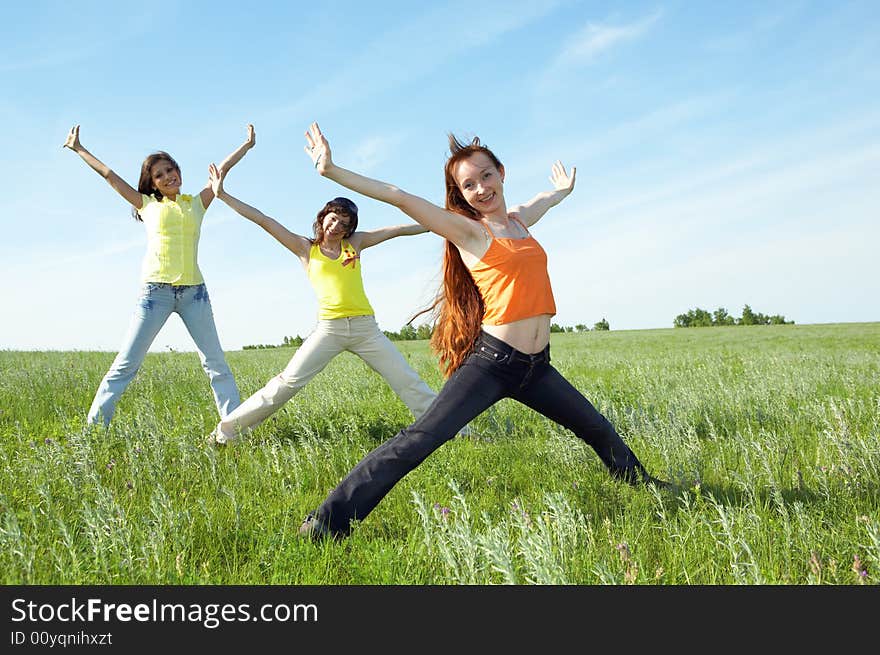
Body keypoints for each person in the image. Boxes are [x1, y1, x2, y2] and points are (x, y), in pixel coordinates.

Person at [298, 122, 669, 540]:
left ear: (501, 173)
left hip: (537, 368)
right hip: (493, 363)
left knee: (595, 426)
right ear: (462, 194)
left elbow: (541, 201)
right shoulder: (470, 231)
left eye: (486, 175)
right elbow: (399, 196)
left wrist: (562, 192)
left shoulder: (519, 222)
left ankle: (640, 485)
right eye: (469, 184)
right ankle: (327, 522)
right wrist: (333, 171)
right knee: (420, 439)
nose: (480, 188)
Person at [205, 160, 469, 445]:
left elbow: (398, 229)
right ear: (323, 217)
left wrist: (441, 221)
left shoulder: (354, 244)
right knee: (285, 384)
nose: (336, 226)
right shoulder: (305, 249)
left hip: (366, 329)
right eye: (333, 218)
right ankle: (225, 433)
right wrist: (223, 195)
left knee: (408, 381)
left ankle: (455, 432)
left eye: (344, 224)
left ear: (349, 229)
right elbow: (264, 220)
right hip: (329, 330)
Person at [63, 124, 254, 427]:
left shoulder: (197, 203)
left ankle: (235, 428)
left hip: (195, 294)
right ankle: (95, 430)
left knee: (216, 363)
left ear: (179, 171)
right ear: (152, 183)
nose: (168, 176)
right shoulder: (147, 205)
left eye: (170, 169)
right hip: (156, 294)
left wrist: (246, 145)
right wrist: (79, 148)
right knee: (127, 363)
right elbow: (109, 176)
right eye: (160, 175)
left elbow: (221, 171)